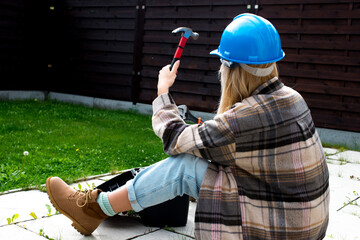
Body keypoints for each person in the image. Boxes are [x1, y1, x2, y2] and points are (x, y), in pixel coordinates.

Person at [46, 13, 329, 239]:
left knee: (185, 167)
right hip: (308, 224)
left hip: (284, 231)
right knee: (201, 160)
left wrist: (162, 93)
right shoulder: (292, 98)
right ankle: (99, 205)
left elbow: (173, 138)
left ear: (230, 68)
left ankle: (94, 208)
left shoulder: (245, 115)